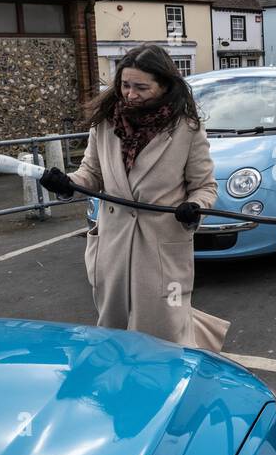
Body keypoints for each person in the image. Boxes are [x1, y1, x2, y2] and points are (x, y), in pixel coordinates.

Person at [40, 45, 230, 351]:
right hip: (113, 249)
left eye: (141, 87)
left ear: (165, 86)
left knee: (167, 330)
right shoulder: (104, 122)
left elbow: (205, 186)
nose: (130, 94)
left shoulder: (186, 128)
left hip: (162, 249)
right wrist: (66, 184)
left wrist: (195, 208)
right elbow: (90, 174)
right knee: (113, 335)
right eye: (125, 85)